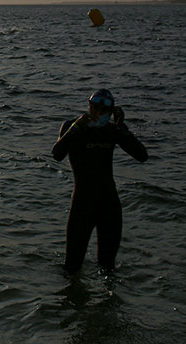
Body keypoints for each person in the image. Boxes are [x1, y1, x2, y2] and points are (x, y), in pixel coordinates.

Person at [52, 89, 147, 273]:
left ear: (111, 113)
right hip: (82, 205)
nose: (98, 114)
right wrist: (77, 128)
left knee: (107, 268)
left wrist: (122, 128)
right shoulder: (73, 126)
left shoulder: (112, 130)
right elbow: (57, 154)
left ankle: (110, 300)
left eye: (103, 111)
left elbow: (142, 156)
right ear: (89, 107)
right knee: (72, 267)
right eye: (94, 109)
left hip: (109, 206)